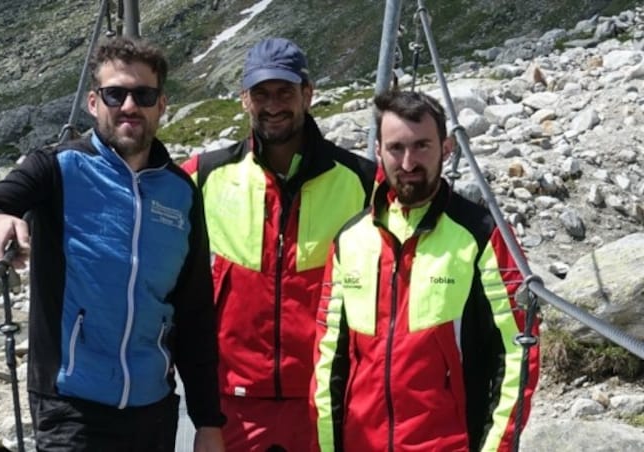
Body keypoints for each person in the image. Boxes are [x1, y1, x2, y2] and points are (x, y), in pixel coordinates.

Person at [0, 36, 225, 452]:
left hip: (154, 409)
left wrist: (208, 423)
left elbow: (194, 312)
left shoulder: (181, 193)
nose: (129, 106)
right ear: (93, 103)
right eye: (115, 94)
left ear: (161, 104)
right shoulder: (55, 169)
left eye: (143, 94)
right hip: (72, 409)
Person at [311, 90, 540, 451]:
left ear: (446, 148)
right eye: (396, 148)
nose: (407, 162)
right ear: (377, 151)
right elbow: (329, 362)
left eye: (422, 146)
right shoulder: (349, 240)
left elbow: (518, 353)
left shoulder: (482, 235)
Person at [181, 38, 376, 451]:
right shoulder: (203, 176)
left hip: (324, 398)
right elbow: (133, 199)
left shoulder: (361, 181)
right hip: (231, 401)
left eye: (285, 92)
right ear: (243, 101)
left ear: (308, 94)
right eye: (261, 94)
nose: (273, 105)